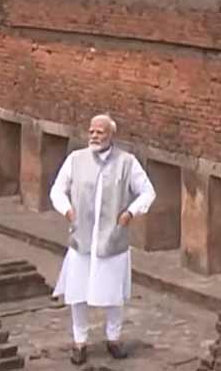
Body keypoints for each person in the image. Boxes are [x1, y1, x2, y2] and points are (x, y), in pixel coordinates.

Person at [49, 113, 157, 366]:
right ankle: (80, 341)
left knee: (112, 294)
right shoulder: (75, 160)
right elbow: (57, 189)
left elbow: (148, 191)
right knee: (77, 293)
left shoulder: (127, 163)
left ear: (111, 135)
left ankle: (113, 338)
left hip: (112, 240)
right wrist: (67, 209)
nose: (95, 136)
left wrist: (130, 212)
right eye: (92, 131)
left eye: (100, 132)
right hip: (82, 238)